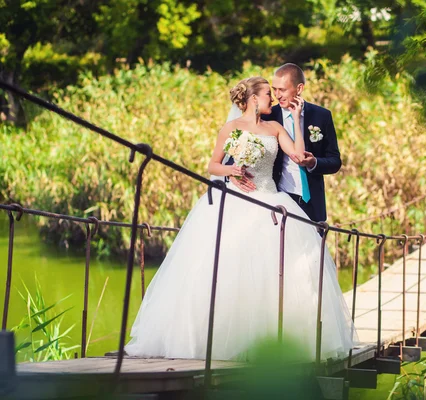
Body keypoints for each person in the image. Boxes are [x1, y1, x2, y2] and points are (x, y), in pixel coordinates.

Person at [125, 77, 356, 362]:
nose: (272, 99)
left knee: (274, 273)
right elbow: (212, 164)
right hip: (236, 200)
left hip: (270, 200)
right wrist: (231, 172)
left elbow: (297, 155)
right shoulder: (230, 129)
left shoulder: (275, 127)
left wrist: (296, 120)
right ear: (253, 99)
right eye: (267, 94)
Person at [230, 63, 341, 223]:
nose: (276, 95)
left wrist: (314, 162)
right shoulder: (267, 116)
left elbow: (335, 161)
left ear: (299, 88)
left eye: (282, 90)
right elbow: (235, 152)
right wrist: (232, 174)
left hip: (313, 204)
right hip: (277, 198)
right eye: (274, 89)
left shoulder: (321, 116)